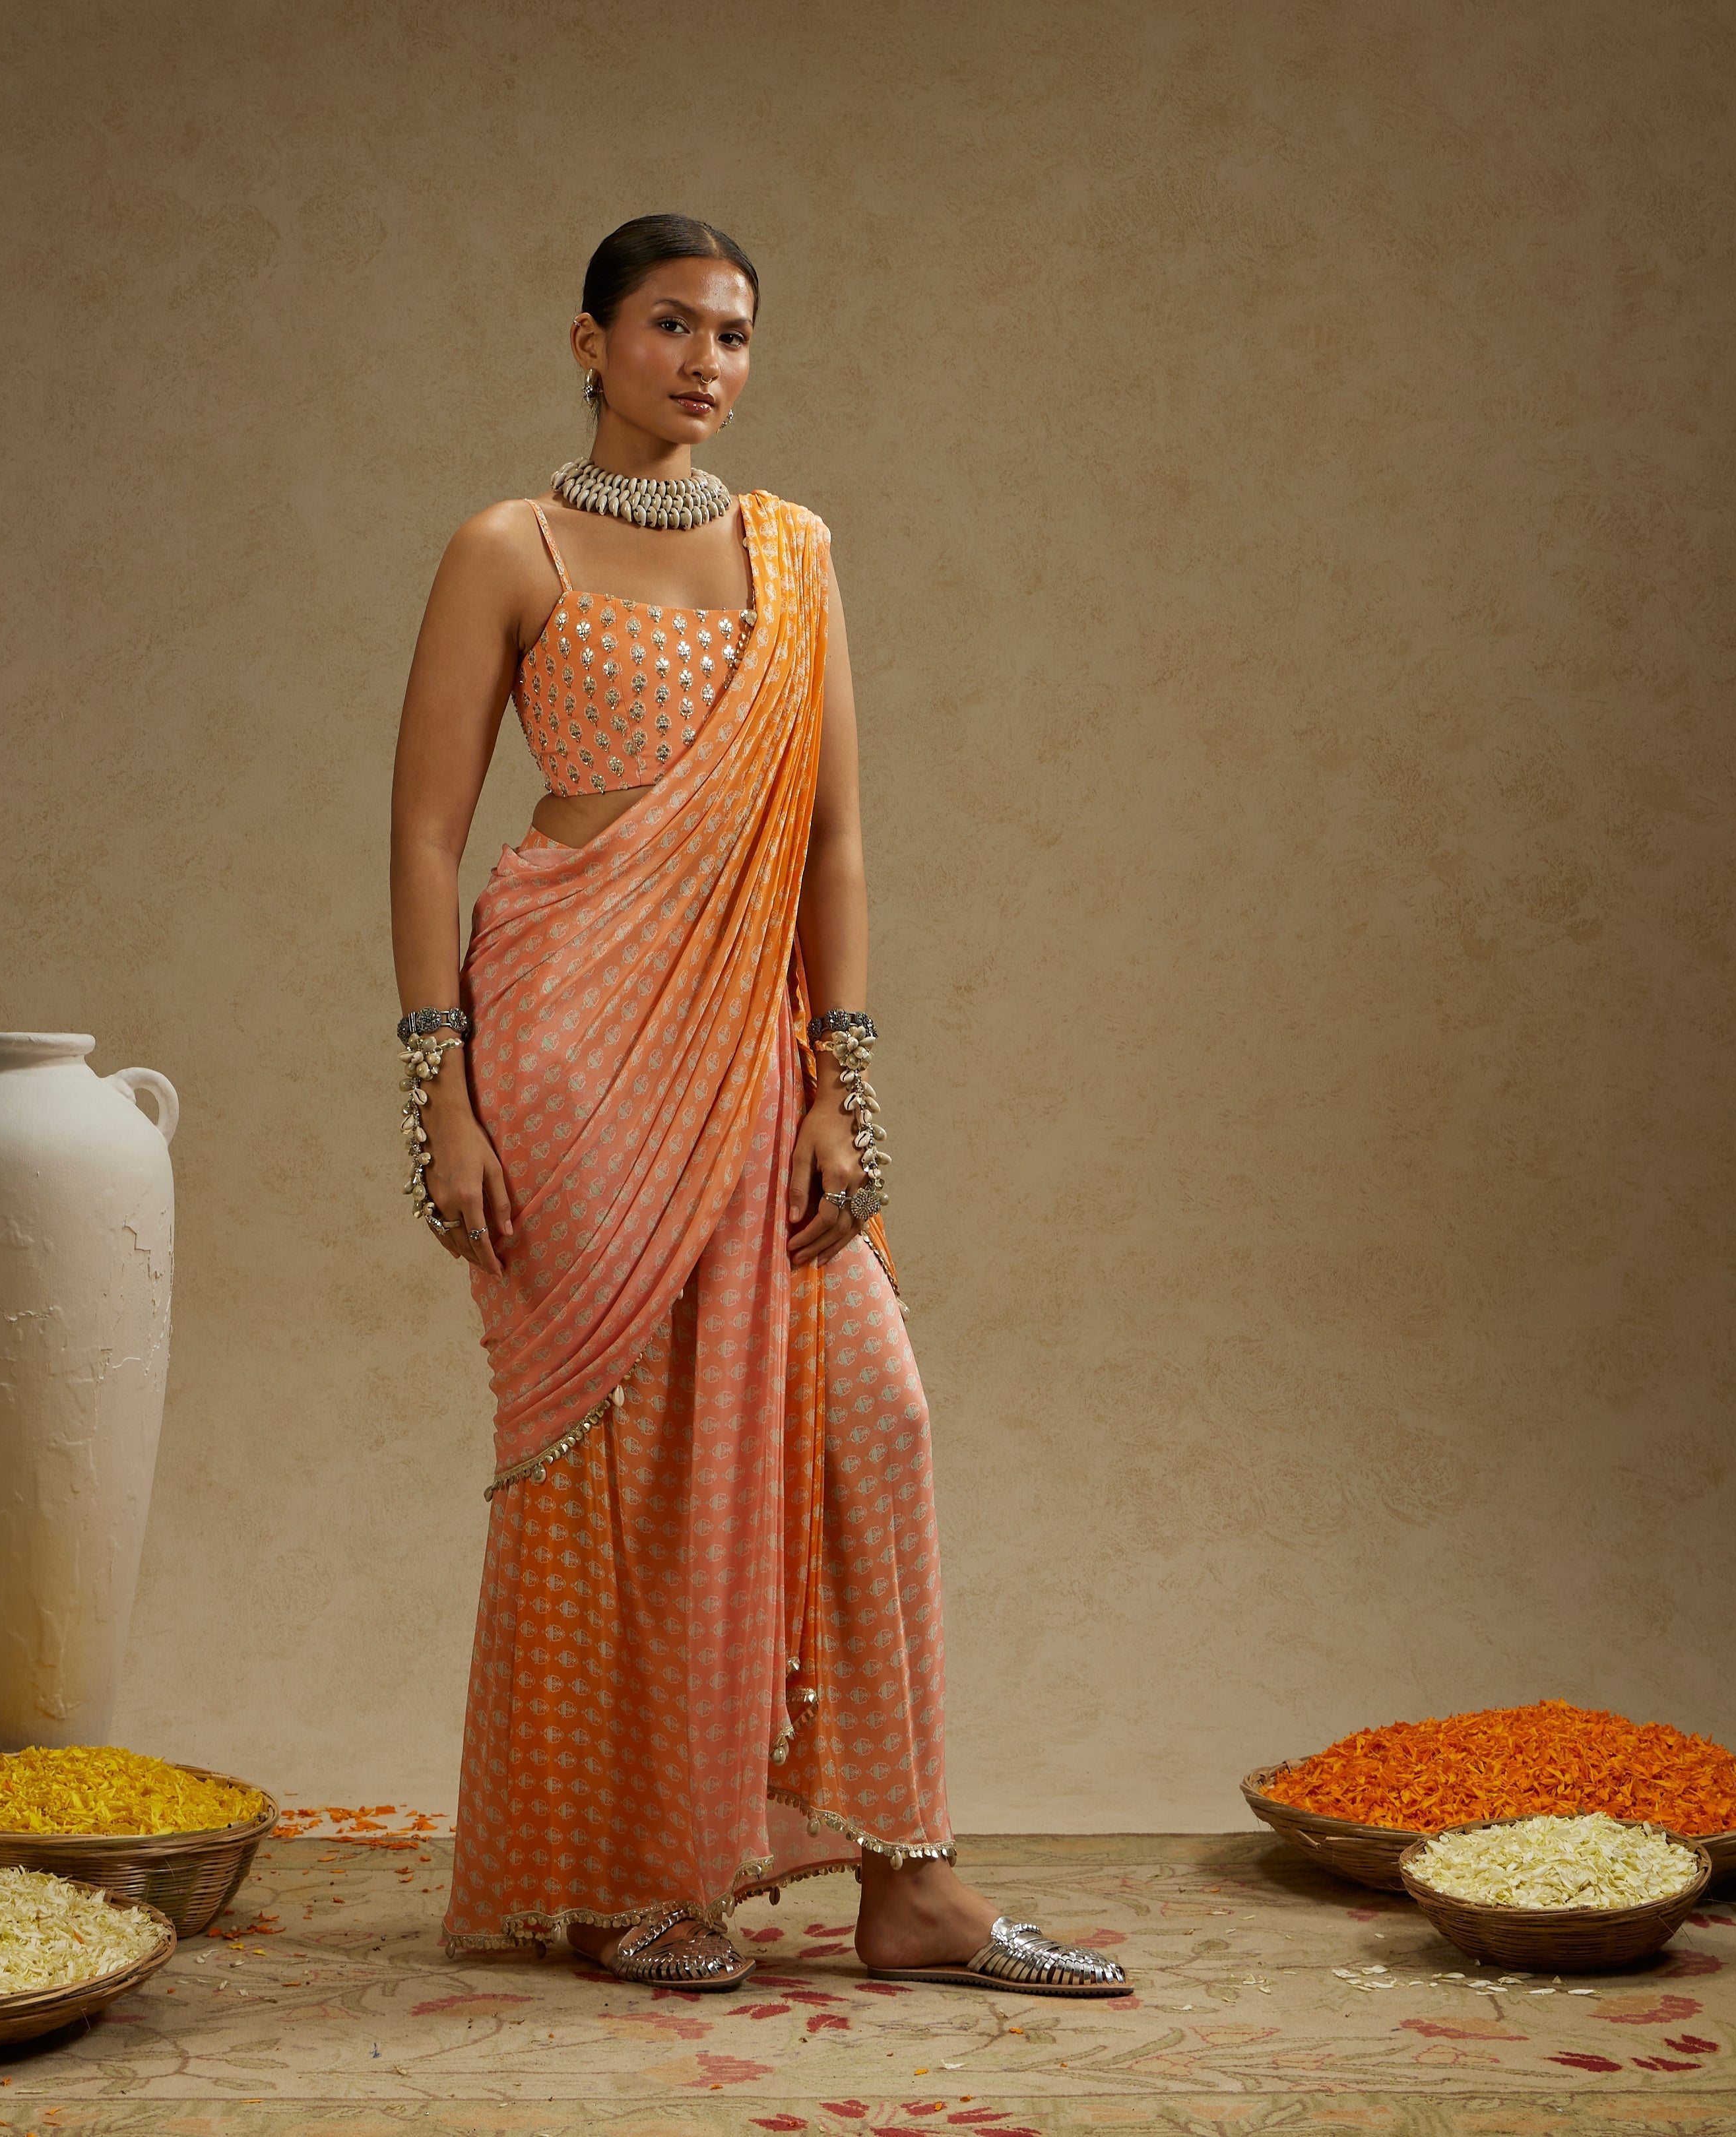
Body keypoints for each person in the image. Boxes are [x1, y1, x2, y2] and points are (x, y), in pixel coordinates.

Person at [388, 214, 1128, 1998]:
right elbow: (424, 832)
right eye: (669, 325)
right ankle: (632, 1876)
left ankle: (911, 1882)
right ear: (590, 341)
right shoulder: (506, 546)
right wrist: (441, 1093)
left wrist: (839, 1085)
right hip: (568, 1041)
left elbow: (837, 839)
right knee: (628, 1458)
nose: (706, 361)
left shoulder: (792, 553)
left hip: (754, 1043)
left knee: (874, 1413)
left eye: (732, 333)